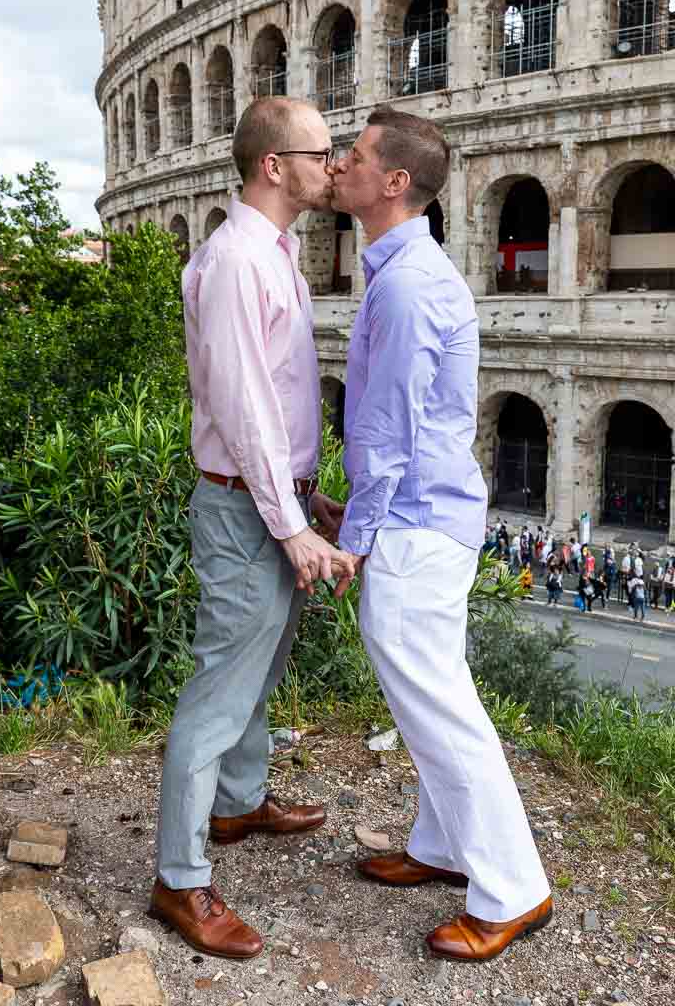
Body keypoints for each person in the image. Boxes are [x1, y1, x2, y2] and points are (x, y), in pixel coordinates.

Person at [330, 107, 551, 963]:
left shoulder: (408, 283)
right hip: (429, 517)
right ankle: (442, 845)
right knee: (429, 691)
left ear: (394, 182)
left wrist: (352, 537)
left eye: (353, 155)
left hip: (417, 525)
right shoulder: (404, 269)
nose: (339, 164)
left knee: (440, 705)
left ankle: (513, 888)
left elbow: (385, 432)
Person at [150, 98, 356, 960]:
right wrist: (289, 522)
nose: (334, 163)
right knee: (218, 692)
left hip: (270, 502)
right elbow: (241, 410)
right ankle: (180, 880)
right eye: (321, 151)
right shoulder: (238, 260)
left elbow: (274, 406)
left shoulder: (274, 256)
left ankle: (237, 804)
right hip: (245, 507)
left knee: (260, 667)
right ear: (275, 165)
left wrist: (306, 504)